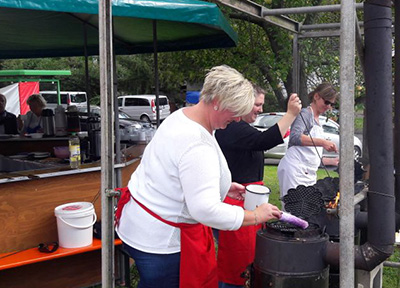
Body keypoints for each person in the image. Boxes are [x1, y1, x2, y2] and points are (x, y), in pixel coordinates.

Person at [115, 65, 282, 288]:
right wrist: (254, 216)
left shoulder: (181, 116)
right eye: (234, 113)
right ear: (217, 102)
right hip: (161, 241)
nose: (238, 119)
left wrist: (223, 187)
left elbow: (176, 173)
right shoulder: (196, 143)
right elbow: (204, 209)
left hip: (139, 225)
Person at [214, 85, 301, 288]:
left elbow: (261, 138)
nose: (260, 109)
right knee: (236, 260)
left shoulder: (241, 128)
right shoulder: (232, 128)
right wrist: (290, 114)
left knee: (248, 255)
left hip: (250, 200)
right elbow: (263, 140)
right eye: (257, 104)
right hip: (236, 201)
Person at [277, 82, 340, 205]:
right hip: (294, 171)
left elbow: (309, 155)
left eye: (332, 104)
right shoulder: (305, 114)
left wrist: (331, 161)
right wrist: (322, 142)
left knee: (308, 212)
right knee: (294, 210)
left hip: (308, 174)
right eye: (327, 102)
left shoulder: (318, 120)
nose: (329, 107)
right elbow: (295, 137)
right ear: (316, 96)